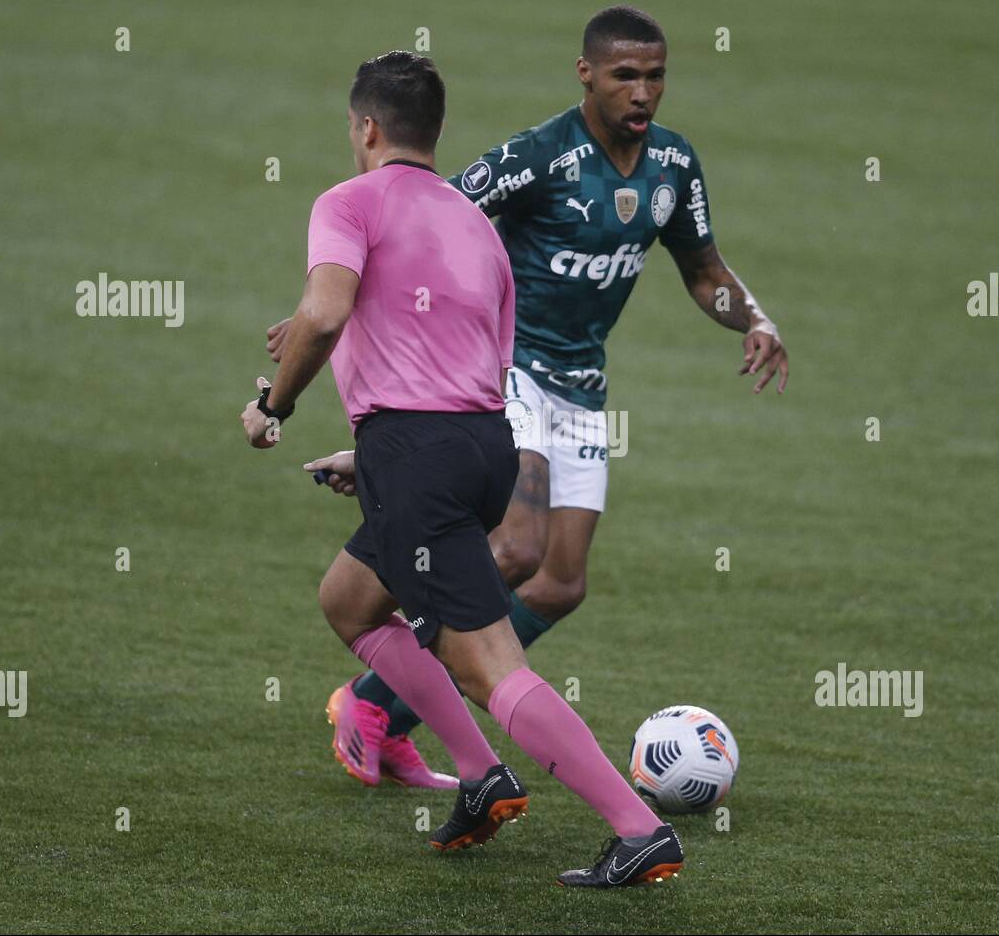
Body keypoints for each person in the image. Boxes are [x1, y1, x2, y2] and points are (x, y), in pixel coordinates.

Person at [274, 6, 788, 778]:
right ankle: (378, 693)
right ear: (587, 74)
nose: (642, 92)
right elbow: (425, 215)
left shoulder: (673, 168)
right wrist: (338, 303)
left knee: (559, 582)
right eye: (625, 76)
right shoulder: (540, 157)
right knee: (514, 546)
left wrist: (754, 317)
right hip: (505, 371)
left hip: (582, 388)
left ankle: (384, 691)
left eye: (654, 76)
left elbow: (706, 271)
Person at [242, 50, 683, 887]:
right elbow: (473, 357)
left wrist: (276, 405)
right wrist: (371, 455)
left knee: (489, 665)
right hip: (483, 444)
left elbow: (327, 312)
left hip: (422, 455)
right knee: (350, 599)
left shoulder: (347, 202)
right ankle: (482, 776)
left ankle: (639, 827)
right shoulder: (475, 221)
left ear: (366, 128)